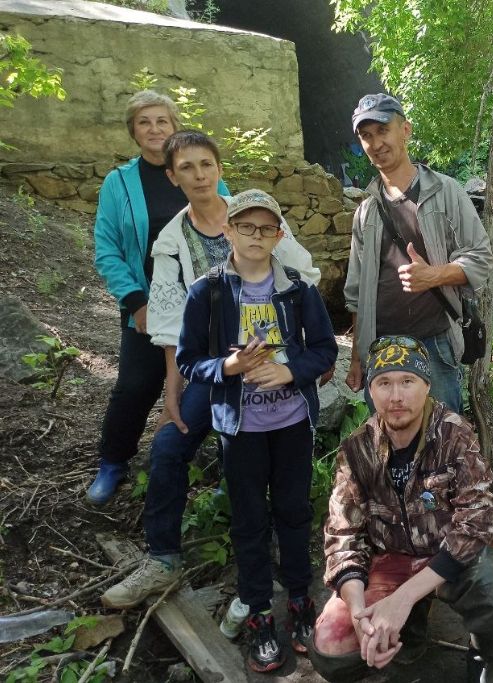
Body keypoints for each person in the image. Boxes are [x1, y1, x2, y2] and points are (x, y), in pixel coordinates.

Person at [100, 136, 318, 613]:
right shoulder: (172, 242)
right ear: (172, 176)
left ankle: (292, 568)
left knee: (282, 476)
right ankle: (162, 559)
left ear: (220, 169)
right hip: (218, 370)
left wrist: (292, 363)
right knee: (169, 446)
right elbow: (170, 325)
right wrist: (173, 394)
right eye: (187, 167)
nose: (199, 174)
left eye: (206, 164)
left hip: (274, 370)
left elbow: (306, 278)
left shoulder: (256, 219)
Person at [174, 191, 338, 671]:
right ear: (228, 231)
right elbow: (188, 360)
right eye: (247, 227)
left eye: (267, 229)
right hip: (239, 428)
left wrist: (291, 372)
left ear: (279, 237)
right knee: (248, 519)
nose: (256, 236)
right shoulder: (209, 292)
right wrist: (227, 364)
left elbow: (325, 349)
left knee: (292, 511)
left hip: (290, 424)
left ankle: (301, 603)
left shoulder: (296, 290)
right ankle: (259, 613)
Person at [311, 336, 493, 683]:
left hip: (451, 558)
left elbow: (476, 524)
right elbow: (343, 534)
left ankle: (486, 653)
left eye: (407, 381)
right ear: (371, 390)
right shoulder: (356, 450)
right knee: (331, 649)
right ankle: (407, 634)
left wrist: (402, 599)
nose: (396, 396)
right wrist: (358, 614)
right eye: (384, 383)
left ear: (426, 386)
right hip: (391, 559)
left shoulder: (454, 434)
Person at [88, 91, 227, 506]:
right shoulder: (119, 183)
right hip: (147, 306)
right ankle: (113, 462)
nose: (154, 129)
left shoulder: (201, 170)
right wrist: (136, 302)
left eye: (161, 121)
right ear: (133, 131)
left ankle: (227, 467)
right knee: (135, 385)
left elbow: (228, 228)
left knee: (222, 384)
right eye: (144, 122)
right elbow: (107, 248)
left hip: (210, 307)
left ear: (174, 125)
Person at [343, 93, 493, 413]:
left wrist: (433, 276)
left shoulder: (446, 191)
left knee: (444, 444)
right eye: (366, 136)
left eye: (383, 131)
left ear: (406, 131)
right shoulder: (366, 210)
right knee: (391, 446)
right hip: (380, 348)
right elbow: (355, 292)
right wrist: (357, 358)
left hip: (434, 344)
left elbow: (481, 257)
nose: (376, 143)